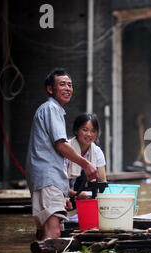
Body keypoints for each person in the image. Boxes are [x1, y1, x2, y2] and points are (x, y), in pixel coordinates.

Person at [26, 68, 98, 241]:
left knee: (46, 234)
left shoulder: (52, 110)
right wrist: (86, 164)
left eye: (70, 85)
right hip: (48, 178)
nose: (67, 88)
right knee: (54, 234)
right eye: (62, 84)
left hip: (48, 179)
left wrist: (65, 193)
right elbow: (61, 146)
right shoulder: (51, 109)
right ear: (50, 89)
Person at [65, 113, 107, 221]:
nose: (89, 134)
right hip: (63, 194)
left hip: (85, 197)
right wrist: (75, 194)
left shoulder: (97, 152)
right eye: (85, 129)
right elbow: (58, 181)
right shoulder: (65, 148)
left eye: (93, 131)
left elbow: (102, 182)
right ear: (76, 131)